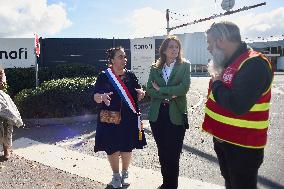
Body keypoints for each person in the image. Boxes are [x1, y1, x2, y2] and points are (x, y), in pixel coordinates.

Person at [202, 21, 274, 189]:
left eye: (209, 42)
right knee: (230, 182)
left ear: (221, 40)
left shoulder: (254, 64)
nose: (208, 48)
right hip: (224, 141)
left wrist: (217, 82)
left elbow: (238, 105)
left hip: (243, 146)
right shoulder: (229, 62)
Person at [93, 47, 146, 188]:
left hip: (129, 118)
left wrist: (142, 93)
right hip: (110, 119)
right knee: (112, 148)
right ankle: (116, 175)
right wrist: (101, 97)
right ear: (112, 60)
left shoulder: (131, 75)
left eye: (124, 56)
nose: (124, 59)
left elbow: (138, 91)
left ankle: (125, 173)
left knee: (127, 147)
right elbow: (95, 96)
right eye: (120, 57)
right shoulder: (104, 76)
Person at [146, 35, 191, 189]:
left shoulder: (185, 66)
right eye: (171, 47)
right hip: (157, 115)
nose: (174, 50)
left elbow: (183, 88)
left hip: (176, 114)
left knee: (173, 153)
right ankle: (166, 183)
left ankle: (172, 186)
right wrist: (169, 93)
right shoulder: (155, 68)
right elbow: (150, 90)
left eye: (176, 47)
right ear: (164, 50)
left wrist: (161, 89)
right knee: (162, 152)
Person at [0, 66, 23, 161]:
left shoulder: (0, 70)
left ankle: (6, 149)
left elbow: (3, 85)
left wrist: (1, 79)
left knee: (7, 123)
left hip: (1, 99)